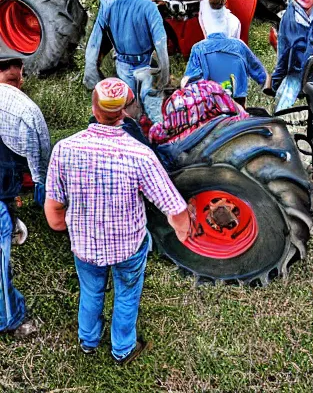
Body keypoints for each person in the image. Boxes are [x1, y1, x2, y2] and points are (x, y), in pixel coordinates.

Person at [44, 78, 190, 364]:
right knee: (126, 295)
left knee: (91, 290)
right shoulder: (140, 155)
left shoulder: (64, 148)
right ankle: (122, 349)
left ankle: (88, 340)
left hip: (84, 246)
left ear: (94, 108)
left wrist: (67, 227)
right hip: (128, 246)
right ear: (124, 111)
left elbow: (54, 213)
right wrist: (184, 233)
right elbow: (173, 208)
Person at [0, 57, 50, 335]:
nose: (17, 86)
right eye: (11, 80)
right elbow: (40, 161)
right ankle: (10, 319)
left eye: (19, 81)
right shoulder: (25, 113)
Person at [83, 0, 170, 93]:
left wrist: (90, 75)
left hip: (122, 64)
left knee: (127, 102)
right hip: (144, 64)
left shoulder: (107, 2)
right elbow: (160, 42)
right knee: (146, 102)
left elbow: (95, 40)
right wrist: (164, 77)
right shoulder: (149, 6)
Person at [181, 33, 270, 107]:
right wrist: (268, 86)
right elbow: (259, 71)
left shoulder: (198, 48)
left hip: (212, 98)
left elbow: (189, 79)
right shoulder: (239, 45)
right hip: (237, 96)